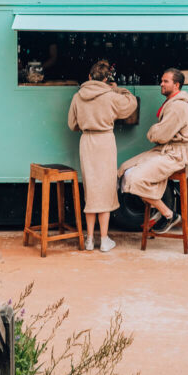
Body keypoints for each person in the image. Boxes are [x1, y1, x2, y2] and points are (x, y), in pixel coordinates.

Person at [67, 59, 138, 252]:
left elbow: (72, 124)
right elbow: (130, 105)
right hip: (105, 142)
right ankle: (104, 239)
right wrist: (118, 90)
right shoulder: (111, 96)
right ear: (107, 79)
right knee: (105, 189)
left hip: (87, 142)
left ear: (89, 77)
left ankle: (89, 239)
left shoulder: (78, 96)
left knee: (91, 190)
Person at [118, 68, 188, 233]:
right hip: (166, 150)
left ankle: (168, 214)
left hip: (175, 155)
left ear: (176, 85)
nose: (161, 84)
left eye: (165, 81)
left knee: (134, 177)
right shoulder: (172, 103)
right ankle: (157, 210)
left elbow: (159, 135)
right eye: (161, 80)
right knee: (125, 167)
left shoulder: (177, 107)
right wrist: (158, 131)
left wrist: (153, 130)